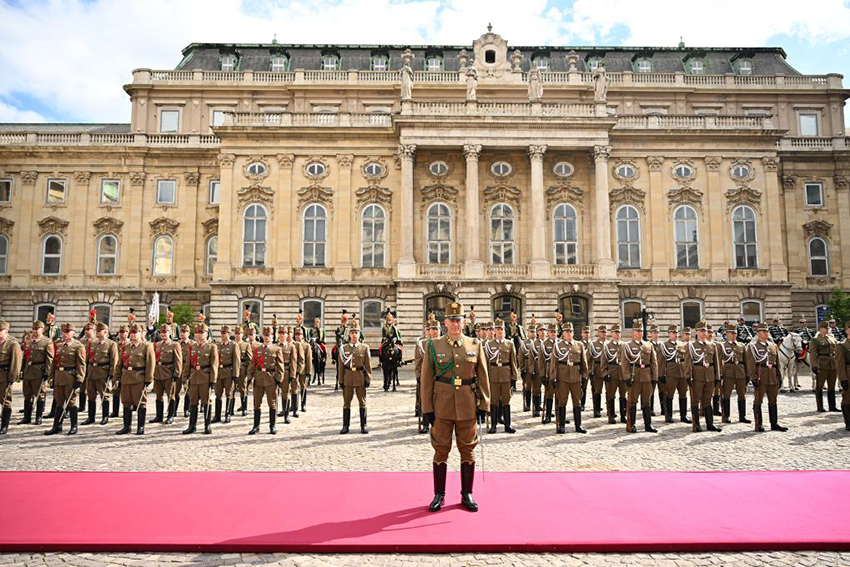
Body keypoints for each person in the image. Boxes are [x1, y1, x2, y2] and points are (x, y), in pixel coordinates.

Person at [420, 301, 490, 513]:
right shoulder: (433, 346)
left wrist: (484, 404)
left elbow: (483, 376)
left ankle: (466, 493)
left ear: (463, 322)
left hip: (467, 404)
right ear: (445, 323)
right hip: (442, 405)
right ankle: (439, 494)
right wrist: (427, 409)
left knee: (468, 449)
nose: (455, 325)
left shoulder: (474, 344)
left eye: (458, 320)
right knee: (441, 449)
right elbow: (426, 380)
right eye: (451, 320)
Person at [44, 323, 85, 435]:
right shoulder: (58, 344)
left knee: (71, 402)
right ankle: (57, 426)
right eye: (63, 332)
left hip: (69, 377)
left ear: (73, 333)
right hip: (59, 376)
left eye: (68, 332)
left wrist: (79, 378)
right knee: (59, 402)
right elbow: (54, 362)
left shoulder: (78, 346)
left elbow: (81, 364)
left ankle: (74, 426)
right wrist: (51, 377)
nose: (65, 334)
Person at [746, 322, 787, 432]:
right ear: (758, 333)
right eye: (764, 331)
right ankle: (758, 424)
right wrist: (753, 377)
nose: (766, 333)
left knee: (773, 401)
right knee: (758, 400)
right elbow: (751, 363)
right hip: (761, 376)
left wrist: (779, 375)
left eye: (767, 331)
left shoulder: (772, 346)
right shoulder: (753, 347)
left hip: (772, 376)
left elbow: (777, 362)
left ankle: (774, 423)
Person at [116, 323, 155, 435]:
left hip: (139, 377)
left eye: (135, 332)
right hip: (126, 377)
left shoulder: (146, 346)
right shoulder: (125, 346)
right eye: (131, 333)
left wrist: (148, 379)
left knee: (140, 403)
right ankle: (126, 426)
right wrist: (117, 377)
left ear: (140, 333)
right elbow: (120, 363)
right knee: (126, 402)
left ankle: (140, 426)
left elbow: (150, 363)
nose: (133, 335)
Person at [549, 322, 588, 434]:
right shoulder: (558, 345)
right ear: (563, 333)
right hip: (563, 378)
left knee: (577, 402)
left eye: (571, 331)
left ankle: (578, 425)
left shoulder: (579, 345)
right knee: (562, 402)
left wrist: (585, 377)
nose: (569, 333)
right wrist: (553, 377)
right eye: (567, 331)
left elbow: (584, 363)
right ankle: (561, 425)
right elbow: (554, 364)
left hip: (576, 378)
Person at [621, 321, 658, 433]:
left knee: (647, 402)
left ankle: (648, 425)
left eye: (641, 330)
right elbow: (625, 362)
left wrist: (654, 377)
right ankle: (632, 424)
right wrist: (626, 377)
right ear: (633, 332)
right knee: (633, 401)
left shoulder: (648, 345)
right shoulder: (627, 346)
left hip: (646, 377)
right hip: (634, 377)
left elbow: (654, 363)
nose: (640, 332)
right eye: (637, 330)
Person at [685, 321, 722, 433]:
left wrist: (717, 376)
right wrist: (688, 376)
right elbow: (687, 362)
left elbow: (716, 363)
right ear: (696, 332)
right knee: (695, 401)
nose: (704, 332)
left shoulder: (712, 345)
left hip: (709, 376)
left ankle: (710, 424)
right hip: (697, 376)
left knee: (707, 401)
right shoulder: (691, 346)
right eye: (701, 330)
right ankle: (696, 425)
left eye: (705, 330)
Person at [183, 323, 218, 435]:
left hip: (205, 377)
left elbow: (214, 365)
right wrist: (185, 377)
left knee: (206, 401)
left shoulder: (211, 347)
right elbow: (188, 364)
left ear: (206, 334)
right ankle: (192, 426)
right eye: (197, 332)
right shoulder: (192, 347)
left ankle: (207, 425)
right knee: (193, 402)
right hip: (194, 377)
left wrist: (213, 380)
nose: (198, 335)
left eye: (201, 332)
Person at [338, 319, 372, 434]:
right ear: (349, 334)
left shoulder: (364, 348)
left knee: (362, 402)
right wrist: (341, 380)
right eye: (352, 332)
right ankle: (345, 426)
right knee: (346, 402)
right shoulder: (344, 349)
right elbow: (341, 367)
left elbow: (368, 365)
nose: (354, 335)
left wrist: (368, 378)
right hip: (348, 378)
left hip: (360, 378)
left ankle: (364, 425)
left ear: (359, 334)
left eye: (356, 332)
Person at [485, 319, 519, 434]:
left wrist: (514, 377)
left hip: (505, 375)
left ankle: (507, 425)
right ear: (494, 331)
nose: (500, 331)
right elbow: (486, 363)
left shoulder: (509, 344)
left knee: (506, 401)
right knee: (494, 401)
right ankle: (493, 425)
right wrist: (486, 378)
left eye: (502, 329)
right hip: (493, 375)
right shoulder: (489, 345)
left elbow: (513, 361)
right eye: (498, 329)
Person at [248, 326, 283, 435]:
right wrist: (249, 377)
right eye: (265, 335)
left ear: (272, 336)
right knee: (256, 403)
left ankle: (272, 425)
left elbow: (280, 366)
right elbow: (252, 364)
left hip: (270, 378)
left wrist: (279, 379)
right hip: (258, 378)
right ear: (262, 336)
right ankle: (256, 426)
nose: (267, 337)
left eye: (269, 335)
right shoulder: (257, 349)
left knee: (272, 403)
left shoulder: (276, 349)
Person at [82, 322, 118, 426]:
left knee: (105, 395)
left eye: (99, 331)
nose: (97, 333)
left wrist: (112, 373)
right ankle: (91, 417)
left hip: (103, 372)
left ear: (105, 332)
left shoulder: (111, 344)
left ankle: (105, 416)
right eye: (96, 331)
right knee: (91, 395)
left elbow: (114, 360)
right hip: (92, 371)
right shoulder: (92, 343)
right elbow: (88, 358)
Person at [19, 322, 54, 426]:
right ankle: (27, 417)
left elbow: (49, 358)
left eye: (37, 328)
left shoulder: (47, 342)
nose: (35, 330)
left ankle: (38, 417)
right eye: (34, 328)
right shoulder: (29, 342)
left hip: (39, 371)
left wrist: (47, 373)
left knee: (39, 395)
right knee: (27, 394)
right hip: (28, 371)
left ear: (42, 330)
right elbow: (25, 357)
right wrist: (22, 370)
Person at [149, 324, 182, 425]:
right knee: (158, 396)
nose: (163, 334)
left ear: (169, 333)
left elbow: (178, 360)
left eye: (165, 332)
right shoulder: (157, 345)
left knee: (170, 395)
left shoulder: (174, 344)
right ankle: (159, 416)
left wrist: (177, 373)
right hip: (158, 372)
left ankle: (170, 416)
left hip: (169, 373)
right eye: (162, 332)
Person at [719, 324, 749, 424]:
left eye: (735, 333)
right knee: (726, 395)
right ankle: (726, 416)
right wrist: (720, 374)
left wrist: (747, 375)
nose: (734, 334)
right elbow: (719, 361)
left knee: (742, 395)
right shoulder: (723, 346)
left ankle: (742, 416)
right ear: (727, 334)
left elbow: (746, 362)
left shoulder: (741, 345)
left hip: (740, 373)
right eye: (732, 333)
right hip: (728, 373)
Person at [660, 325, 690, 424]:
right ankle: (668, 415)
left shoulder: (682, 345)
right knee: (669, 395)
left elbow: (686, 360)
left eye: (676, 332)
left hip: (682, 373)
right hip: (671, 373)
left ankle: (684, 415)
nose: (675, 334)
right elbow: (661, 361)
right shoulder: (664, 345)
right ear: (669, 334)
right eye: (673, 332)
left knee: (683, 394)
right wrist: (661, 374)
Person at [415, 321, 440, 433]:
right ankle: (425, 424)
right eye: (432, 329)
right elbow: (418, 362)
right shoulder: (422, 344)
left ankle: (439, 423)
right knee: (426, 399)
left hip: (439, 376)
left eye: (436, 329)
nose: (434, 332)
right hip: (426, 377)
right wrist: (418, 375)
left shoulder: (444, 343)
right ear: (428, 331)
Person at [809, 321, 839, 413]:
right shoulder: (815, 340)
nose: (827, 330)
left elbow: (835, 349)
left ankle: (832, 406)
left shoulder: (831, 338)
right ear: (821, 328)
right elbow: (813, 354)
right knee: (819, 386)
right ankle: (820, 406)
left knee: (832, 386)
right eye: (826, 328)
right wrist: (814, 365)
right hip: (822, 364)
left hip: (832, 364)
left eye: (828, 328)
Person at [212, 325, 240, 424]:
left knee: (229, 394)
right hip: (219, 373)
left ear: (229, 334)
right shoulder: (217, 346)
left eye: (225, 333)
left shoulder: (233, 345)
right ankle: (217, 415)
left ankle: (228, 414)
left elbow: (236, 360)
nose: (223, 335)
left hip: (228, 372)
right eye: (222, 333)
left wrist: (236, 375)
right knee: (217, 395)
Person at [0, 321, 23, 434]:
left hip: (4, 376)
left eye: (0, 330)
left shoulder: (13, 344)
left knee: (5, 401)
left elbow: (16, 363)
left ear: (6, 331)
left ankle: (4, 425)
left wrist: (12, 378)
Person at [604, 325, 627, 424]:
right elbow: (603, 362)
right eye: (615, 332)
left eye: (619, 332)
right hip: (612, 373)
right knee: (611, 395)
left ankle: (623, 415)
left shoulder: (624, 345)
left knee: (623, 396)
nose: (618, 334)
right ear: (611, 333)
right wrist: (605, 373)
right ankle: (611, 416)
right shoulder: (607, 346)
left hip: (622, 373)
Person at [587, 324, 608, 419]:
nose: (604, 334)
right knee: (597, 390)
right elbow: (588, 358)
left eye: (605, 332)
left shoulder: (609, 344)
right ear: (598, 333)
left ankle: (610, 411)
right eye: (602, 332)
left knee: (610, 391)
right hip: (597, 369)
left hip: (608, 369)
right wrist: (590, 371)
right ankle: (597, 410)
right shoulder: (593, 345)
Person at [233, 325, 254, 416]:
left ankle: (244, 408)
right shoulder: (231, 344)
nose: (238, 335)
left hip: (242, 369)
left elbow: (250, 360)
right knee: (231, 389)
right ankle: (230, 409)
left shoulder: (246, 345)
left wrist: (248, 372)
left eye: (240, 333)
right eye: (236, 333)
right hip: (232, 369)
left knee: (243, 389)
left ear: (242, 334)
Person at [835, 321, 850, 431]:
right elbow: (840, 364)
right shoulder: (842, 345)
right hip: (848, 374)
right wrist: (843, 379)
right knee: (847, 399)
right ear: (847, 331)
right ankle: (848, 422)